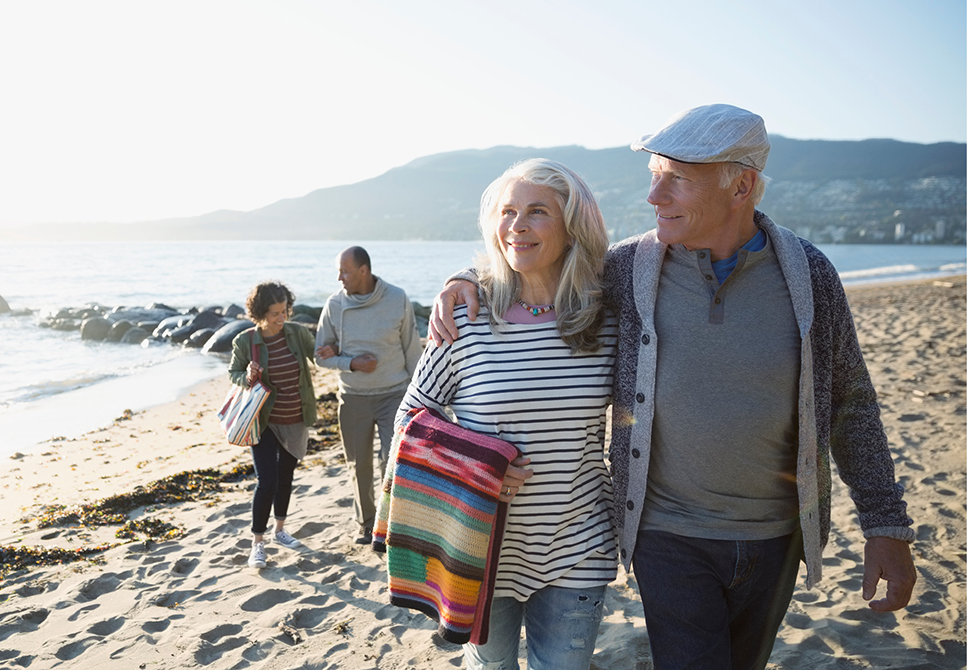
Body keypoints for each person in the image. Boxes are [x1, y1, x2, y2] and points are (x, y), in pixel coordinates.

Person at [431, 104, 917, 670]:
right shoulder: (628, 269)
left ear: (743, 186)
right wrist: (467, 278)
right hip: (667, 534)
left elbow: (850, 403)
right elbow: (536, 268)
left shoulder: (809, 275)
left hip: (777, 536)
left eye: (677, 179)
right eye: (654, 175)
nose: (654, 196)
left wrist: (885, 526)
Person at [397, 158, 618, 670]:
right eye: (507, 211)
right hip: (479, 547)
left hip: (578, 543)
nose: (517, 225)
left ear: (573, 228)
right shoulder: (466, 316)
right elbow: (411, 416)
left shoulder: (607, 316)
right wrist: (476, 467)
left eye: (537, 212)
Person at [314, 246, 423, 544]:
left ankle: (393, 524)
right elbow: (319, 356)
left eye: (345, 271)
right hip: (353, 398)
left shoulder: (397, 298)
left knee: (395, 461)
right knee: (357, 464)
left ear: (364, 271)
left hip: (395, 395)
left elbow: (411, 348)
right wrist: (350, 363)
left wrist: (420, 396)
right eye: (339, 271)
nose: (340, 278)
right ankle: (366, 524)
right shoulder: (335, 305)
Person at [228, 281, 318, 569]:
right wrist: (248, 376)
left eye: (284, 311)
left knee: (286, 476)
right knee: (266, 481)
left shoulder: (298, 333)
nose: (281, 318)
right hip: (263, 420)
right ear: (259, 313)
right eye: (275, 313)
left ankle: (280, 530)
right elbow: (234, 374)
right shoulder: (246, 341)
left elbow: (319, 355)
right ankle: (258, 543)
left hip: (295, 417)